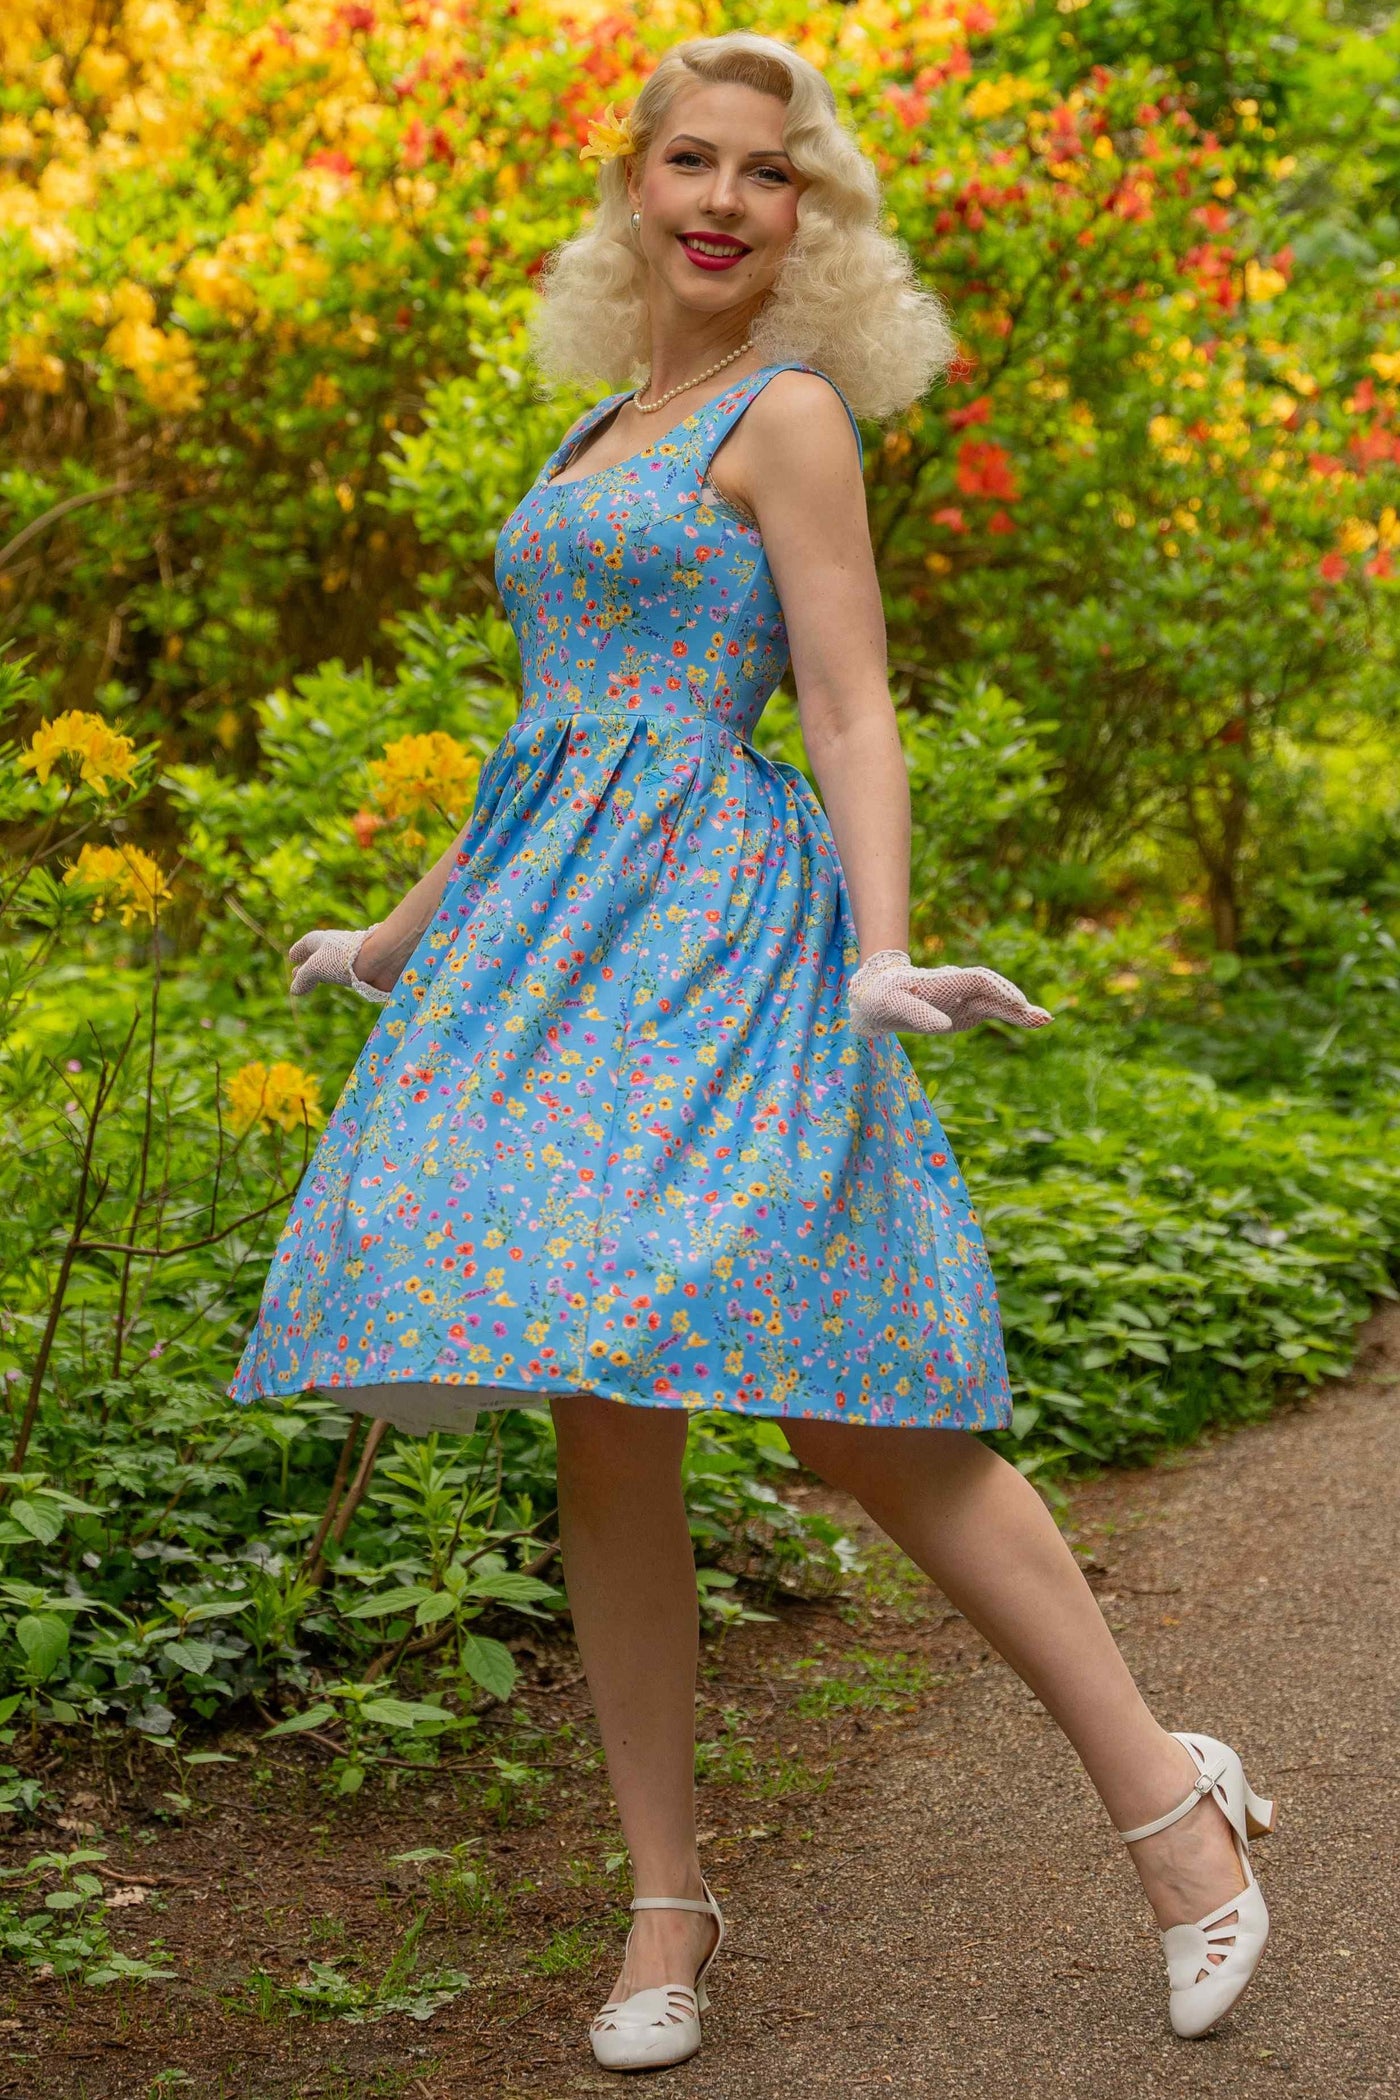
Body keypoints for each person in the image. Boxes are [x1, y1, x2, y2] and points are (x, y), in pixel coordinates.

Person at [228, 30, 1276, 2075]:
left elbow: (850, 703)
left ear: (810, 219)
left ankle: (1169, 1805)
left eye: (765, 173)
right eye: (688, 160)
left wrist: (879, 954)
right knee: (597, 1406)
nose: (720, 197)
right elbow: (545, 746)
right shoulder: (594, 434)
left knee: (842, 1407)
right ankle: (663, 1897)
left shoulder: (790, 418)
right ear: (632, 187)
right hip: (538, 954)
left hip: (717, 938)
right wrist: (386, 934)